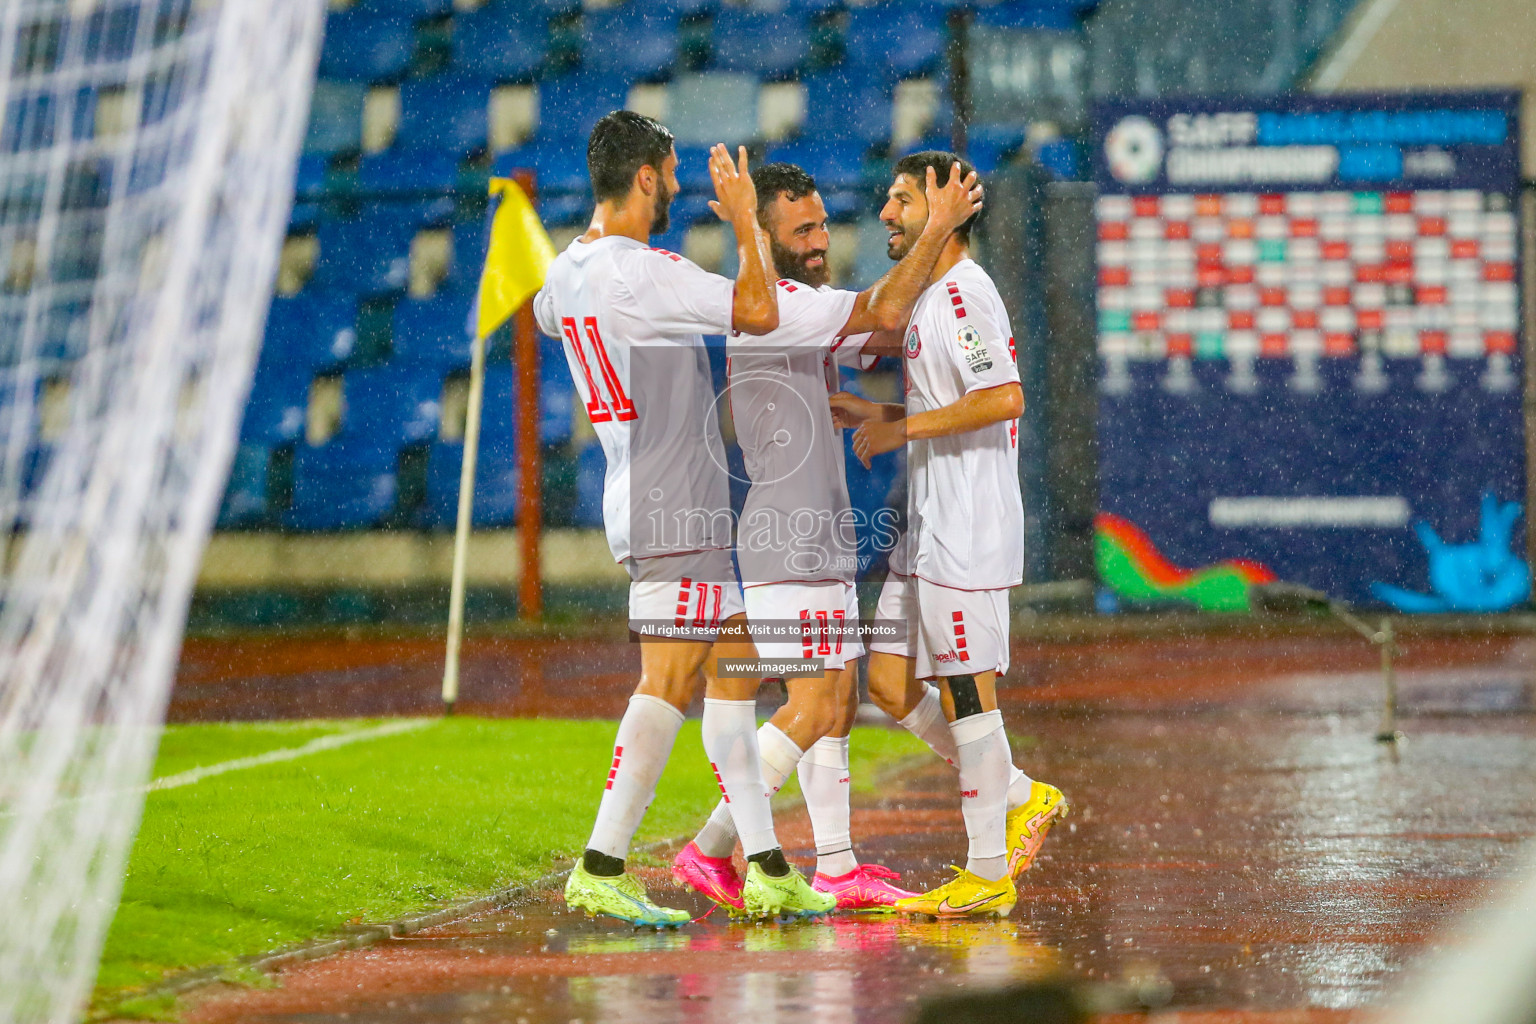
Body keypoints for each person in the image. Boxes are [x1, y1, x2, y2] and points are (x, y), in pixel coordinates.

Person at [533, 111, 832, 925]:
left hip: (659, 490)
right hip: (673, 502)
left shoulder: (571, 271)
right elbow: (760, 310)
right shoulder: (645, 272)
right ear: (643, 178)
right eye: (669, 174)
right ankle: (600, 863)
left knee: (732, 679)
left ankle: (764, 863)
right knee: (666, 685)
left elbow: (544, 313)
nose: (676, 188)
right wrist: (743, 223)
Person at [670, 161, 984, 912]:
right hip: (792, 538)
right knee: (813, 707)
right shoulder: (777, 305)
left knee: (836, 706)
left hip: (811, 537)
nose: (819, 241)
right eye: (801, 230)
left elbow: (884, 333)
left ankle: (838, 867)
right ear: (769, 242)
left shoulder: (795, 307)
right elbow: (881, 309)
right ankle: (710, 849)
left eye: (821, 225)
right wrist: (939, 227)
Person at [831, 151, 1069, 919]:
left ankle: (986, 871)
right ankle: (1023, 795)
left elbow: (1006, 397)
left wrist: (904, 426)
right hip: (927, 527)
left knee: (968, 693)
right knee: (892, 685)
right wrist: (885, 417)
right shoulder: (930, 296)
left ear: (942, 208)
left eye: (900, 200)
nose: (885, 215)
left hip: (966, 530)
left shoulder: (966, 295)